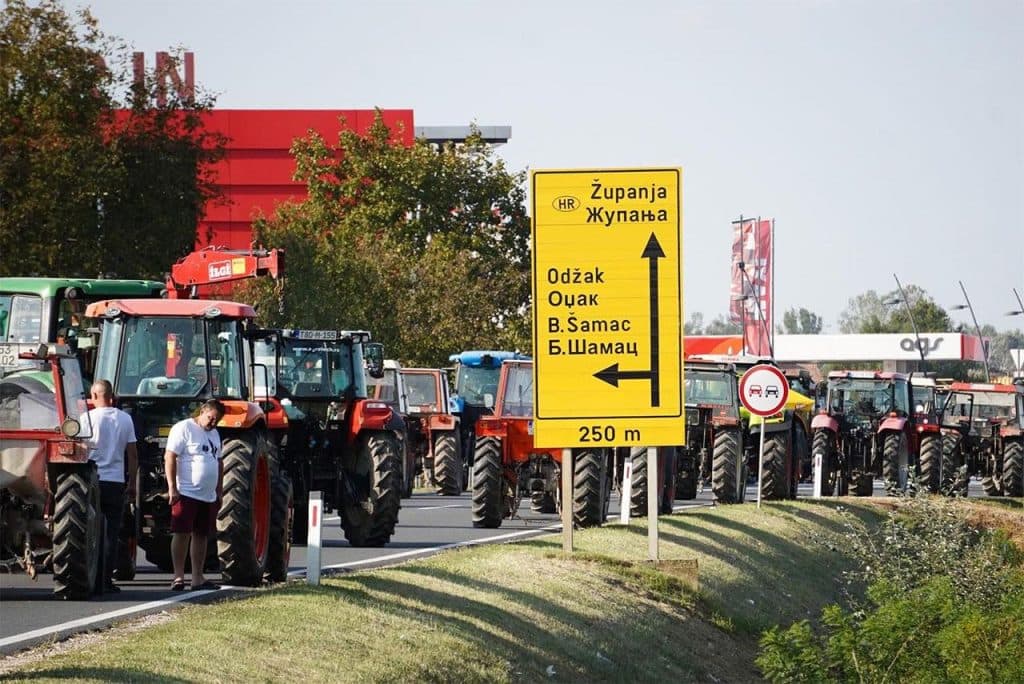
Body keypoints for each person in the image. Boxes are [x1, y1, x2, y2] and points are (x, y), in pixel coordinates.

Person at [164, 399, 226, 591]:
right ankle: (178, 576)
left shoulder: (215, 434)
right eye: (211, 418)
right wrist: (172, 487)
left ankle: (197, 577)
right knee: (182, 533)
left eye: (217, 420)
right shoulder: (183, 428)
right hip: (187, 491)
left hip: (207, 495)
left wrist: (219, 490)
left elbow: (219, 462)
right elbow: (170, 456)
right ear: (203, 411)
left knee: (202, 535)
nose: (213, 423)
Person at [86, 379, 138, 593]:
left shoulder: (86, 419)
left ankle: (89, 574)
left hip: (90, 481)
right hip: (115, 481)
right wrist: (132, 482)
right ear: (112, 396)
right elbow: (133, 455)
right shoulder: (125, 419)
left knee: (90, 532)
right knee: (111, 533)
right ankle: (104, 580)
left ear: (96, 396)